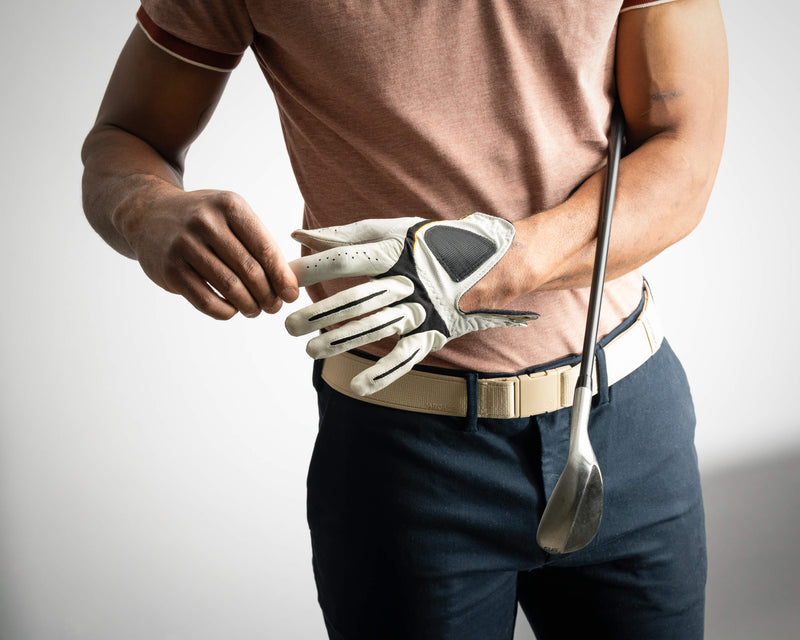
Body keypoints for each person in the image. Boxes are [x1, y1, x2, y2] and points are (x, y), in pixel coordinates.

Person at [81, 0, 728, 638]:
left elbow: (683, 153)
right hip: (401, 458)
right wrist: (144, 211)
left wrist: (486, 264)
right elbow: (126, 138)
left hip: (625, 421)